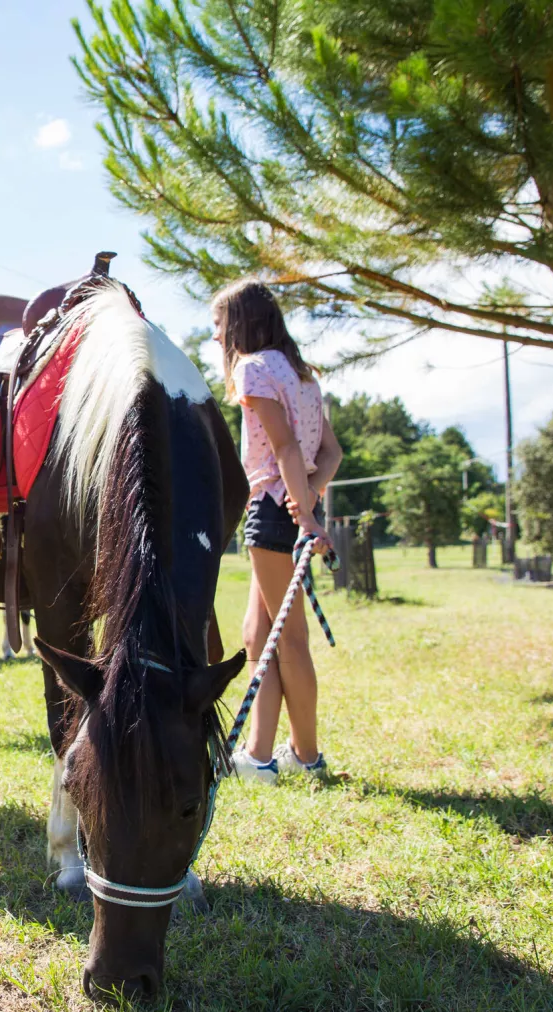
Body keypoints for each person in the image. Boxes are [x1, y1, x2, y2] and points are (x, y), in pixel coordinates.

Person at [214, 279, 342, 783]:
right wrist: (308, 495)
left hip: (272, 512)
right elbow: (331, 454)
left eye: (220, 325)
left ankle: (307, 758)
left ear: (241, 323)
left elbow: (286, 448)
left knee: (290, 640)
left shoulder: (254, 369)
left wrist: (304, 515)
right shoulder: (302, 375)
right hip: (286, 505)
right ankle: (259, 754)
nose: (218, 336)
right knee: (257, 633)